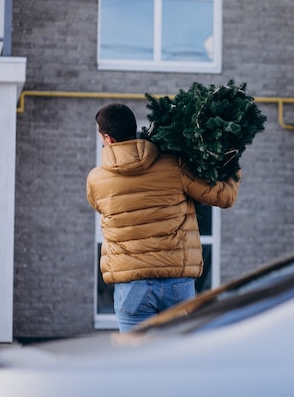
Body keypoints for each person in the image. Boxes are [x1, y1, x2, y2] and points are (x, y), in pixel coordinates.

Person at [86, 103, 240, 333]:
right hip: (177, 282)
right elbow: (224, 197)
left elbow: (102, 207)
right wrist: (232, 164)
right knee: (177, 362)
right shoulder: (174, 166)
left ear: (108, 138)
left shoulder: (96, 180)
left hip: (131, 286)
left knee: (136, 362)